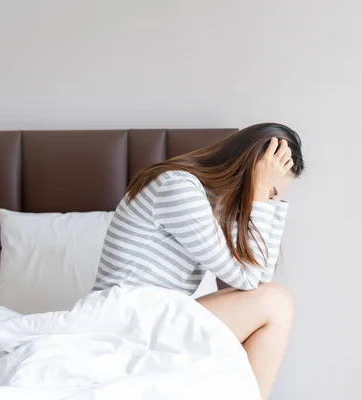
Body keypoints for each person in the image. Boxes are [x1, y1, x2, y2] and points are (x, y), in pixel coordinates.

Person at [93, 122, 305, 399]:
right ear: (249, 168)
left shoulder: (211, 202)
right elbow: (246, 278)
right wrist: (259, 197)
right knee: (277, 301)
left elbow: (259, 281)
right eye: (268, 190)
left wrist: (270, 202)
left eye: (272, 196)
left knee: (275, 299)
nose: (266, 199)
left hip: (149, 315)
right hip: (123, 320)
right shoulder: (177, 187)